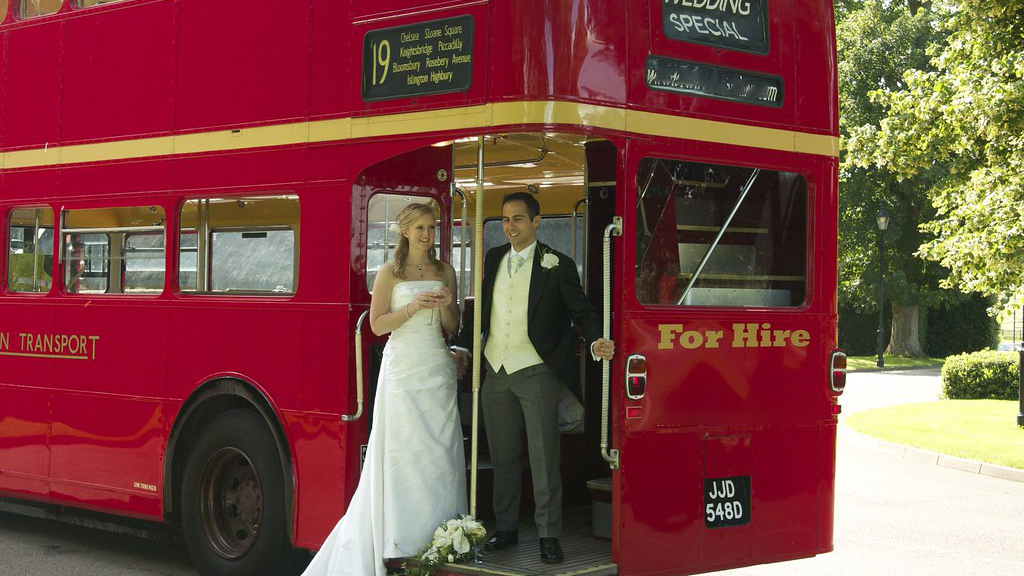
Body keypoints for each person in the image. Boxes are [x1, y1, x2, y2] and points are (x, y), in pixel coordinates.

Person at [303, 203, 467, 576]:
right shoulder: (389, 273)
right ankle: (398, 537)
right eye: (420, 228)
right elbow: (376, 326)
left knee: (438, 452)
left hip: (436, 366)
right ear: (405, 232)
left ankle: (441, 537)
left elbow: (453, 324)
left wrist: (443, 306)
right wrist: (410, 308)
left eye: (431, 228)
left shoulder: (446, 271)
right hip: (402, 368)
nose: (427, 234)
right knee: (403, 450)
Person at [454, 192, 614, 565]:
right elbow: (477, 308)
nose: (510, 226)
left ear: (536, 222)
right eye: (506, 219)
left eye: (519, 219)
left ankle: (548, 534)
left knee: (544, 458)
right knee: (504, 455)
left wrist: (596, 341)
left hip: (537, 371)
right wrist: (463, 347)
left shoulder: (557, 264)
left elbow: (583, 312)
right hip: (496, 370)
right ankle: (506, 528)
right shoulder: (494, 257)